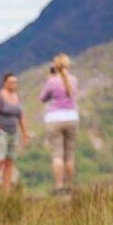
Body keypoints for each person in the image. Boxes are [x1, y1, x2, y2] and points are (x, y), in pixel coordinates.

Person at [40, 53, 79, 196]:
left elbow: (42, 98)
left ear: (55, 66)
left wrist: (50, 79)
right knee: (69, 155)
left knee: (57, 154)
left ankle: (59, 186)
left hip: (55, 118)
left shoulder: (52, 81)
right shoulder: (74, 80)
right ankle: (70, 185)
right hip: (72, 117)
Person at [0, 72, 30, 192]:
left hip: (13, 132)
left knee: (9, 161)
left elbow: (20, 116)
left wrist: (25, 133)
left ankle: (6, 191)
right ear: (5, 83)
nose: (14, 84)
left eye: (15, 82)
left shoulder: (16, 97)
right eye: (11, 82)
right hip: (2, 131)